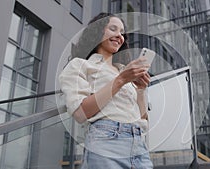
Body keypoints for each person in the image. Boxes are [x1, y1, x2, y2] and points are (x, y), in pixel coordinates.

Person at [59, 12, 153, 169]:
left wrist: (141, 89)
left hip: (138, 146)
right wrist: (121, 80)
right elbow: (80, 113)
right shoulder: (81, 65)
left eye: (122, 33)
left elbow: (143, 119)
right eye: (113, 29)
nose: (119, 36)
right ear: (97, 31)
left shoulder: (122, 71)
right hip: (106, 142)